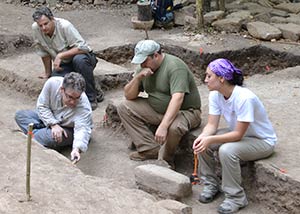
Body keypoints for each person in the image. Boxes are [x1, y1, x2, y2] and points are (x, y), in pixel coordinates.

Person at [192, 58, 277, 213]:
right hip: (241, 136)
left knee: (227, 150)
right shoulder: (215, 94)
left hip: (262, 141)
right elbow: (211, 125)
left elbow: (237, 134)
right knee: (203, 142)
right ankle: (211, 184)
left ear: (221, 78)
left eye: (209, 76)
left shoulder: (244, 98)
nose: (205, 80)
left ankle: (236, 197)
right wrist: (203, 137)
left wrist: (210, 138)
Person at [117, 40, 202, 169]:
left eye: (145, 60)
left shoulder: (174, 66)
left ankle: (167, 160)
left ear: (156, 55)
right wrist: (138, 78)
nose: (142, 64)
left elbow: (178, 98)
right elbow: (129, 95)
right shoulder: (144, 67)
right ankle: (150, 149)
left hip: (186, 111)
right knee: (124, 107)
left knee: (174, 127)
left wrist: (163, 126)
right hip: (156, 108)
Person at [15, 72, 93, 163]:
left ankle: (34, 136)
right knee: (20, 115)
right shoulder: (51, 83)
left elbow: (82, 128)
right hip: (50, 119)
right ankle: (37, 136)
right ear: (62, 90)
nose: (73, 102)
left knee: (49, 138)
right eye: (70, 97)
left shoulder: (84, 107)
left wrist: (77, 149)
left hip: (69, 129)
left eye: (77, 98)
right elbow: (42, 106)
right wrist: (53, 124)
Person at [31, 6, 100, 110]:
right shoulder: (36, 29)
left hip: (83, 57)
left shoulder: (65, 26)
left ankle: (91, 97)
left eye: (46, 24)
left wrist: (60, 55)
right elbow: (43, 51)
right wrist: (48, 72)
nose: (43, 28)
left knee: (79, 61)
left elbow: (84, 48)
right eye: (40, 25)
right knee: (55, 80)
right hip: (65, 64)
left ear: (52, 19)